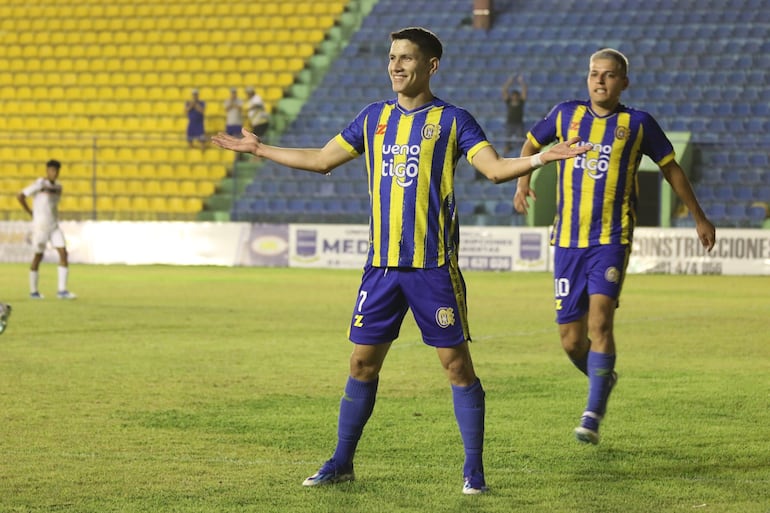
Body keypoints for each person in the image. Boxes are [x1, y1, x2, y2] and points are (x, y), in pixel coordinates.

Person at [213, 27, 589, 494]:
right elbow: (321, 159)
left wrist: (541, 159)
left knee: (457, 368)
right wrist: (259, 149)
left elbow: (492, 170)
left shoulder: (454, 121)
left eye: (406, 58)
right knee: (360, 365)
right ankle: (341, 463)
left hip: (433, 269)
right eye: (392, 57)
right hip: (382, 268)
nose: (395, 65)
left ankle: (474, 472)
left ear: (431, 66)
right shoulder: (373, 118)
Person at [513, 48, 716, 445]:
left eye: (608, 75)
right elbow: (529, 145)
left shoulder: (638, 124)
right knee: (571, 341)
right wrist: (523, 184)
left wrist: (698, 215)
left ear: (623, 82)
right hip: (567, 241)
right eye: (594, 74)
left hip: (611, 239)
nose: (599, 81)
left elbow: (671, 168)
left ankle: (592, 414)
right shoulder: (564, 115)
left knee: (600, 322)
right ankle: (603, 380)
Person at [17, 159, 77, 300]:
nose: (54, 173)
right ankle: (33, 291)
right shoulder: (39, 184)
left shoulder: (58, 187)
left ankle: (62, 290)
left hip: (54, 226)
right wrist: (30, 212)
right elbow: (20, 196)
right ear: (47, 170)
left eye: (56, 171)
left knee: (63, 253)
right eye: (51, 170)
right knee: (38, 256)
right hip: (40, 227)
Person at [501, 73, 527, 155]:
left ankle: (523, 154)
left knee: (521, 141)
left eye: (516, 96)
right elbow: (504, 91)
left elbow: (524, 91)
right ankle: (505, 155)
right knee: (507, 141)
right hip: (510, 124)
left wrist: (521, 82)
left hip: (519, 124)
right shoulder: (508, 101)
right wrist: (509, 82)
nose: (514, 97)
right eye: (513, 96)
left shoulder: (521, 102)